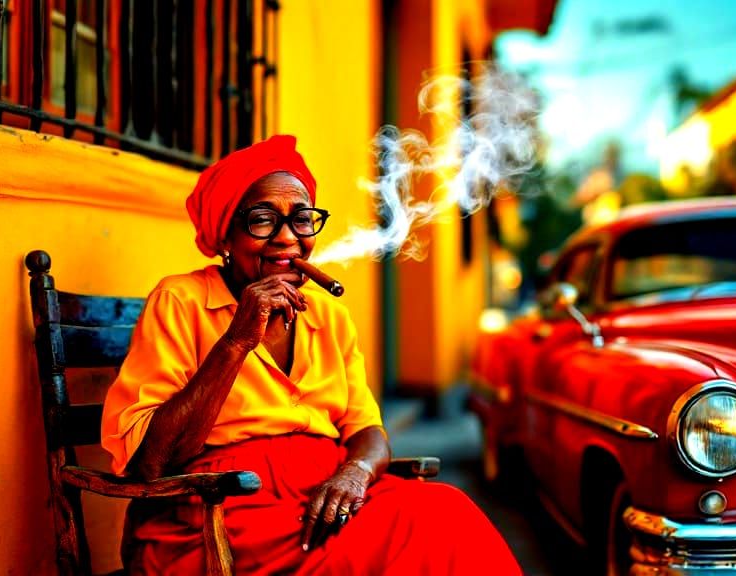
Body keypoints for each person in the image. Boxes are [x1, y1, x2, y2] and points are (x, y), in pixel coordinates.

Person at [101, 135, 521, 575]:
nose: (287, 238)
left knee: (445, 511)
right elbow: (151, 461)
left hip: (323, 497)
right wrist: (236, 341)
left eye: (301, 220)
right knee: (399, 547)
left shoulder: (329, 314)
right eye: (262, 220)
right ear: (225, 235)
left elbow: (367, 431)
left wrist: (354, 474)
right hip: (223, 509)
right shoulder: (180, 301)